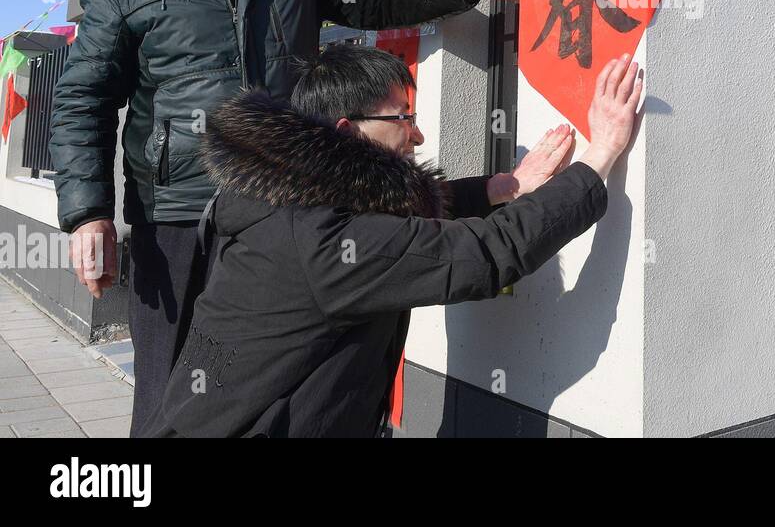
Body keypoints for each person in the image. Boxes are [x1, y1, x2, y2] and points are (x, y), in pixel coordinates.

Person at [49, 0, 524, 435]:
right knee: (171, 393)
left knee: (277, 387)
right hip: (175, 216)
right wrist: (87, 213)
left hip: (284, 211)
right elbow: (82, 99)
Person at [143, 43, 642, 437]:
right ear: (348, 131)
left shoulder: (282, 196)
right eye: (403, 118)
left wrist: (503, 187)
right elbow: (485, 252)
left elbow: (396, 213)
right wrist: (601, 156)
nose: (418, 136)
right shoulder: (325, 242)